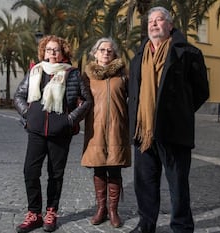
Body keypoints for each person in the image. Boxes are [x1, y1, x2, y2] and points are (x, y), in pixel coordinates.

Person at [127, 7, 209, 233]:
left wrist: (178, 112)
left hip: (173, 131)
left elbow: (201, 91)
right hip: (143, 132)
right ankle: (146, 224)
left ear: (170, 25)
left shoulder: (188, 53)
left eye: (159, 20)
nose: (153, 24)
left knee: (178, 185)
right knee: (144, 183)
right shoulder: (138, 57)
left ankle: (182, 227)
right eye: (150, 21)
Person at [13, 35, 92, 233]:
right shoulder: (35, 71)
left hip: (60, 133)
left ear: (63, 52)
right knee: (30, 171)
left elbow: (87, 101)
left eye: (56, 49)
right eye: (49, 49)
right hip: (36, 131)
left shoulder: (73, 73)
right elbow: (19, 96)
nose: (52, 53)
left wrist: (70, 120)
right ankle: (34, 213)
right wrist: (28, 114)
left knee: (55, 175)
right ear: (43, 52)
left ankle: (51, 212)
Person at [81, 38, 131, 228]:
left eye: (110, 50)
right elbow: (79, 99)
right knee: (99, 167)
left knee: (115, 168)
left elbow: (132, 99)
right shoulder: (87, 76)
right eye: (102, 50)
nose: (106, 53)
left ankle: (113, 210)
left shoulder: (123, 74)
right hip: (95, 128)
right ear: (95, 52)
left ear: (114, 54)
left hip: (118, 128)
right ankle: (101, 209)